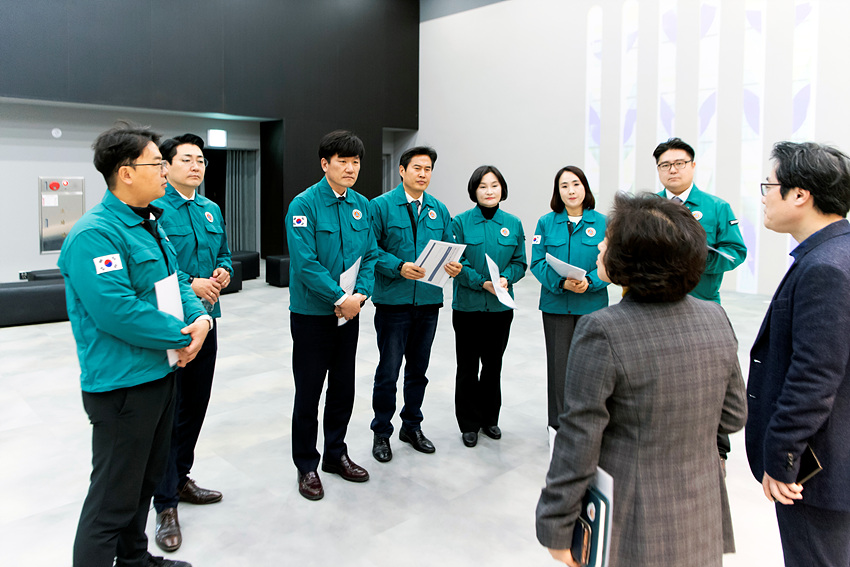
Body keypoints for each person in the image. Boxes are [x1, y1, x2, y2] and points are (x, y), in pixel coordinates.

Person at [536, 192, 747, 567]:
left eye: (608, 240)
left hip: (635, 516)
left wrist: (556, 525)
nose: (600, 246)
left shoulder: (602, 329)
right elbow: (732, 416)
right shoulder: (716, 318)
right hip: (702, 513)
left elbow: (579, 437)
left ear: (632, 258)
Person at [59, 122, 212, 567]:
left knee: (143, 483)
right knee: (111, 501)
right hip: (122, 386)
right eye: (157, 164)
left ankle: (135, 561)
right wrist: (183, 334)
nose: (166, 171)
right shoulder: (94, 234)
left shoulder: (150, 224)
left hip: (160, 373)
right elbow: (117, 310)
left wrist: (200, 318)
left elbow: (176, 280)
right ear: (126, 173)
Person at [746, 141, 850, 566]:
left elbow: (814, 376)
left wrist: (783, 457)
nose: (764, 198)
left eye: (769, 186)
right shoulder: (837, 253)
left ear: (800, 194)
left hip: (819, 470)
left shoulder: (824, 266)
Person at [285, 130, 378, 500]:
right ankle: (306, 464)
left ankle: (335, 454)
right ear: (325, 164)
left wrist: (360, 295)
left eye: (355, 162)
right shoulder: (304, 205)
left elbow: (371, 254)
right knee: (309, 390)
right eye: (343, 161)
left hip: (349, 313)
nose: (350, 168)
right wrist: (340, 297)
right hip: (312, 313)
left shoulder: (362, 205)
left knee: (343, 386)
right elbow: (305, 263)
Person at [150, 134, 231, 552]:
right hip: (171, 326)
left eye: (200, 160)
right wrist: (192, 283)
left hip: (207, 321)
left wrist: (223, 273)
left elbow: (224, 255)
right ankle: (164, 503)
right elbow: (157, 266)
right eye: (187, 159)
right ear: (166, 167)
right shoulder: (154, 208)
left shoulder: (211, 209)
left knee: (195, 407)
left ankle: (180, 479)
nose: (196, 165)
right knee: (169, 413)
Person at [653, 136, 747, 464]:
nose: (672, 170)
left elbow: (735, 252)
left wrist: (695, 260)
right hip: (655, 305)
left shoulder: (716, 207)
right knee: (661, 377)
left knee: (707, 378)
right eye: (665, 165)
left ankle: (716, 447)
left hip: (703, 304)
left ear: (693, 166)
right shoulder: (648, 207)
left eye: (679, 163)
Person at [367, 146, 461, 462]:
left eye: (428, 169)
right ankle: (382, 432)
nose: (423, 174)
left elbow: (448, 247)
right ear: (402, 170)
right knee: (389, 372)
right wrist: (398, 266)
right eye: (417, 168)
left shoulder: (439, 209)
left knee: (418, 371)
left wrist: (454, 266)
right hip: (393, 303)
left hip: (428, 302)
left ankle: (411, 426)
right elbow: (370, 251)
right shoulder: (380, 206)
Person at [451, 165, 527, 448]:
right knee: (468, 367)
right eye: (482, 186)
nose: (489, 191)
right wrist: (482, 283)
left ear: (502, 189)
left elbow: (520, 262)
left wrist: (506, 278)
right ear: (474, 191)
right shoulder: (460, 223)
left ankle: (489, 419)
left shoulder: (514, 223)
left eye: (494, 185)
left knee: (493, 365)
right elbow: (457, 263)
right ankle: (469, 423)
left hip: (500, 309)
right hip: (468, 307)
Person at [529, 165, 608, 433]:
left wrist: (591, 282)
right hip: (556, 306)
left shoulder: (603, 223)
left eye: (576, 184)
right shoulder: (546, 222)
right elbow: (537, 262)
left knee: (592, 369)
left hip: (592, 308)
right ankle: (558, 428)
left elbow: (612, 262)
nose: (571, 190)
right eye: (564, 186)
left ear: (585, 187)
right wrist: (561, 283)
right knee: (559, 369)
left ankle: (589, 426)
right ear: (557, 191)